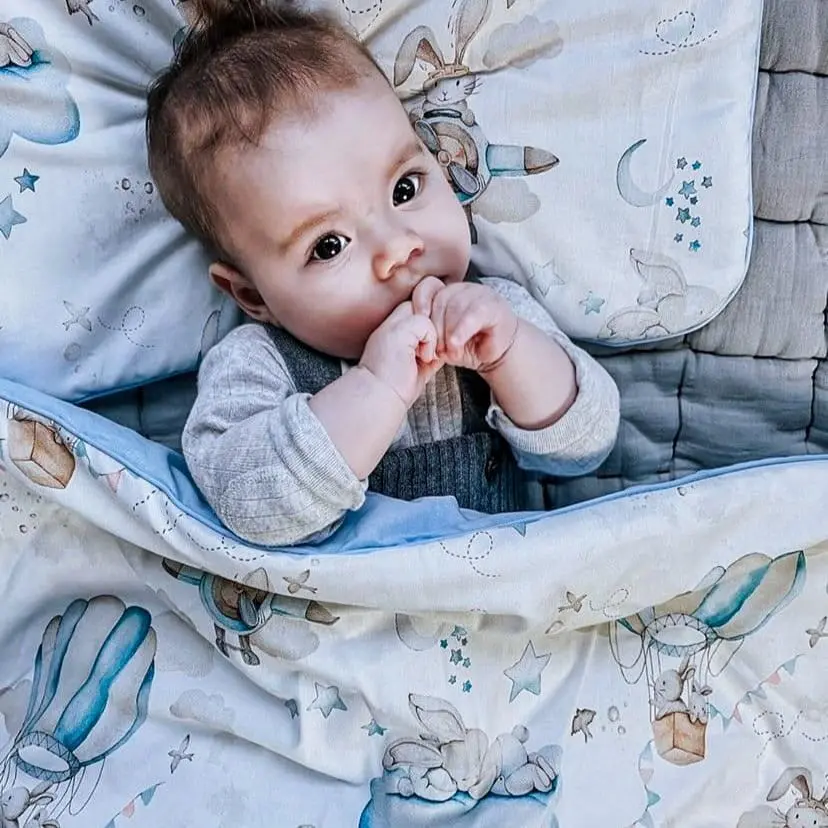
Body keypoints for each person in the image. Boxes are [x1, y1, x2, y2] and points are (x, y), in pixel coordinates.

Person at [145, 1, 620, 546]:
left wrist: (509, 355)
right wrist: (376, 388)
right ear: (253, 296)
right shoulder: (255, 364)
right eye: (329, 245)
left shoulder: (494, 313)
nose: (397, 247)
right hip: (347, 602)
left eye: (405, 189)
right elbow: (248, 505)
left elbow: (585, 448)